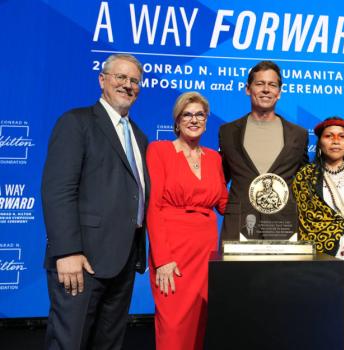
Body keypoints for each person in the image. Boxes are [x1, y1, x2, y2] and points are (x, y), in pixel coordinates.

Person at [42, 53, 148, 349]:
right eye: (120, 77)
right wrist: (67, 251)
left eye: (134, 80)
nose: (128, 85)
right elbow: (58, 190)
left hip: (123, 262)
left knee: (108, 344)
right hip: (81, 261)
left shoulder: (139, 136)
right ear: (102, 80)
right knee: (69, 343)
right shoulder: (76, 123)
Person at [146, 91, 228, 350]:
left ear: (206, 120)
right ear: (177, 120)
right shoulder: (159, 150)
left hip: (205, 251)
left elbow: (224, 203)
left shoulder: (214, 158)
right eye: (187, 115)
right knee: (173, 325)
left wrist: (259, 199)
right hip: (173, 251)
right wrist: (163, 259)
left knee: (199, 325)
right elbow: (153, 207)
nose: (194, 120)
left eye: (200, 115)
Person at [292, 117, 344, 350]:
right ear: (319, 143)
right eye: (329, 136)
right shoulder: (306, 175)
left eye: (342, 136)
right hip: (323, 254)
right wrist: (336, 233)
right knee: (325, 311)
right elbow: (306, 216)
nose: (336, 141)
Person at [219, 60, 308, 241]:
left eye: (272, 85)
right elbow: (220, 179)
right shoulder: (227, 132)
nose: (266, 89)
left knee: (282, 271)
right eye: (259, 84)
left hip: (283, 224)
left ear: (279, 93)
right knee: (235, 271)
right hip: (239, 223)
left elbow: (304, 182)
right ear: (248, 89)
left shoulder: (298, 134)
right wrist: (229, 206)